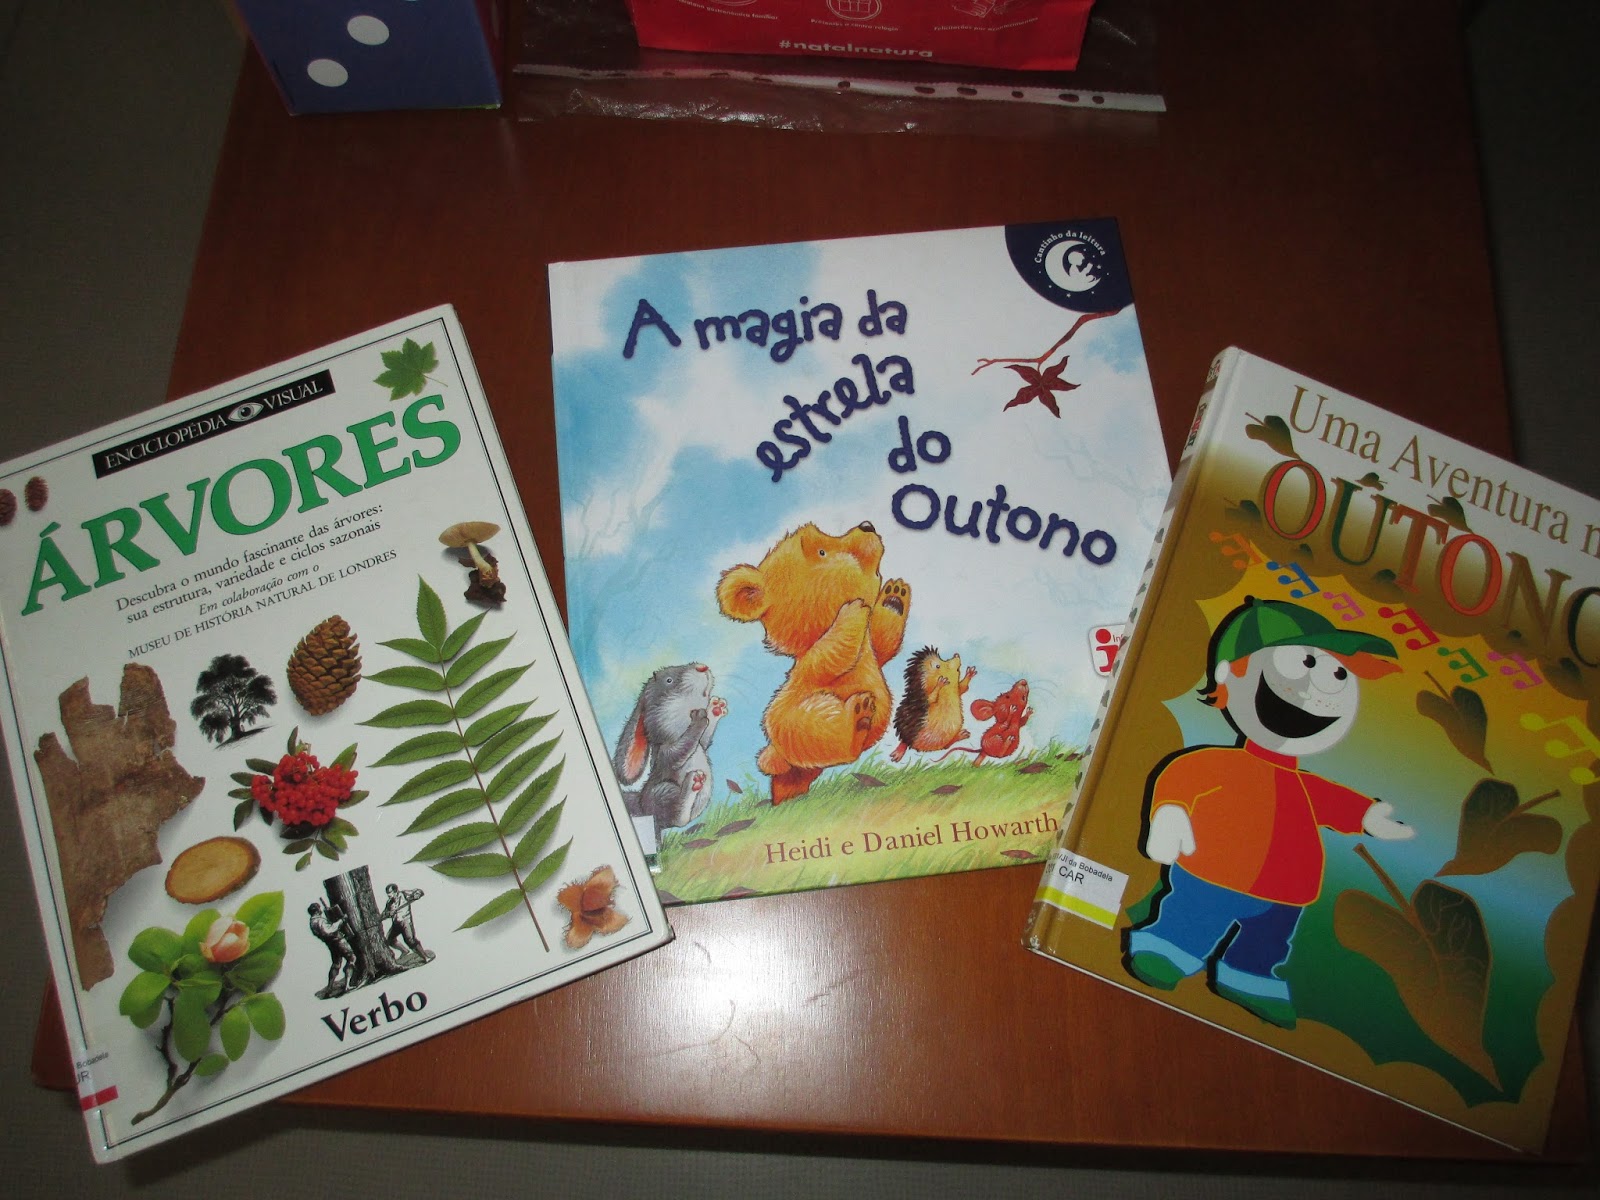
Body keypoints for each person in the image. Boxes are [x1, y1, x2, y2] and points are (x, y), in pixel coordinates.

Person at [1123, 596, 1416, 1028]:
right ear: (1228, 675)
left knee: (1268, 944)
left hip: (1286, 892)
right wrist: (1169, 818)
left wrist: (1368, 817)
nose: (1317, 689)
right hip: (1214, 874)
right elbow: (1181, 782)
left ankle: (1250, 977)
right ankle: (1168, 949)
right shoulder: (1218, 764)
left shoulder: (1302, 783)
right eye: (1304, 664)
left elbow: (1332, 801)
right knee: (1192, 918)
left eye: (1338, 674)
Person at [307, 900, 357, 997]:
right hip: (338, 941)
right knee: (352, 958)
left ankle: (329, 988)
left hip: (330, 944)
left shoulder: (312, 922)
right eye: (319, 909)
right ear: (316, 911)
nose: (321, 910)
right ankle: (347, 985)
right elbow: (330, 930)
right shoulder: (319, 921)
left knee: (336, 964)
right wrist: (342, 920)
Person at [381, 883, 433, 962]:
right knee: (389, 940)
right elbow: (384, 913)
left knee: (410, 940)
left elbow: (419, 891)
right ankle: (404, 951)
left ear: (395, 891)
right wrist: (388, 914)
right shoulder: (389, 902)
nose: (388, 895)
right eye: (387, 893)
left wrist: (417, 894)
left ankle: (425, 957)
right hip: (396, 923)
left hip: (406, 922)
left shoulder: (404, 894)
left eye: (390, 893)